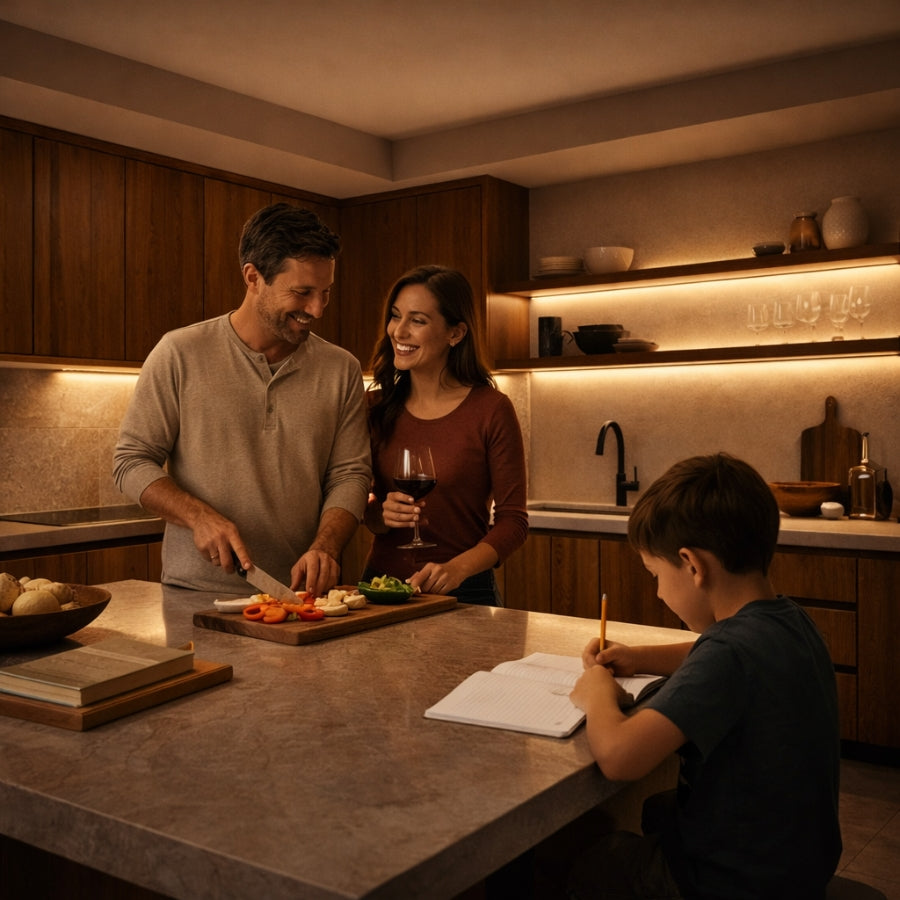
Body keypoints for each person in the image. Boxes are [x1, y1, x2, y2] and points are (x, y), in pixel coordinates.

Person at [568, 453, 841, 899]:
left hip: (732, 884)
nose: (658, 592)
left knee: (594, 861)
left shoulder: (730, 652)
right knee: (660, 809)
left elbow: (620, 758)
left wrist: (598, 694)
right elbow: (714, 657)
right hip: (797, 866)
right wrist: (638, 658)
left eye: (656, 574)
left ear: (692, 566)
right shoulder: (789, 621)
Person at [113, 203, 371, 597]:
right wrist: (197, 516)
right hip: (196, 595)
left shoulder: (342, 369)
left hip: (301, 598)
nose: (316, 309)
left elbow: (350, 474)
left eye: (325, 293)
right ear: (253, 277)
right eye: (302, 293)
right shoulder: (179, 353)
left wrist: (326, 546)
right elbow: (131, 461)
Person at [362, 265, 528, 605]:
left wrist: (457, 569)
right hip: (381, 588)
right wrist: (380, 514)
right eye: (395, 316)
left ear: (455, 333)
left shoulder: (491, 409)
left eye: (418, 320)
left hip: (464, 593)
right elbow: (360, 506)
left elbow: (514, 522)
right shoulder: (373, 407)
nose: (399, 331)